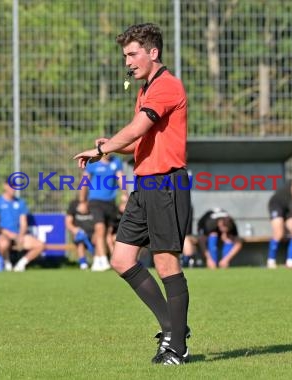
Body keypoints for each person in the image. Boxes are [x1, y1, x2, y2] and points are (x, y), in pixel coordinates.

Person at [73, 23, 191, 365]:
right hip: (145, 185)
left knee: (166, 262)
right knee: (122, 260)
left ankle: (178, 347)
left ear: (153, 52)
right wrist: (109, 148)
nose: (127, 61)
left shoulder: (166, 86)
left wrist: (104, 149)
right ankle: (173, 328)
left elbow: (139, 127)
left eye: (132, 54)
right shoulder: (147, 88)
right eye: (125, 55)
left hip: (167, 184)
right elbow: (141, 141)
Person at [79, 154, 126, 271]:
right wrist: (82, 201)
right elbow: (84, 182)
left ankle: (97, 259)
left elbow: (121, 178)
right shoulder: (93, 162)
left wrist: (125, 196)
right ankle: (104, 260)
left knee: (107, 232)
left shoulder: (116, 161)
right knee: (100, 228)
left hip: (110, 202)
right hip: (95, 201)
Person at [0, 181, 45, 272]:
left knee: (40, 245)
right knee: (3, 244)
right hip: (4, 234)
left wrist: (21, 236)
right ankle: (7, 262)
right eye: (11, 186)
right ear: (5, 186)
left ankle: (21, 264)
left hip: (18, 234)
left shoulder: (20, 202)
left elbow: (23, 223)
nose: (13, 189)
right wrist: (8, 233)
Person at [65, 199, 96, 270]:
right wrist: (75, 230)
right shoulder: (73, 204)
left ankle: (98, 261)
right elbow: (68, 223)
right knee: (80, 242)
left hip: (93, 233)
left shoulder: (94, 204)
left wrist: (96, 234)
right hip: (79, 233)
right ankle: (83, 263)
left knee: (97, 240)